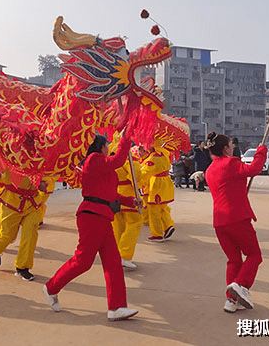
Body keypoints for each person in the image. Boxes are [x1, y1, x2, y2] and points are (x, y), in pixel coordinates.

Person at [43, 130, 141, 321]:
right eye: (106, 145)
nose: (107, 149)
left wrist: (131, 201)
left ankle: (116, 307)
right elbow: (118, 160)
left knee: (113, 263)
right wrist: (126, 137)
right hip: (92, 216)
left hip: (102, 216)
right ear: (100, 147)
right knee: (83, 261)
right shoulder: (94, 160)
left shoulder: (102, 166)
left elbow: (112, 195)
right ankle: (50, 287)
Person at [204, 132, 266, 313]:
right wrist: (261, 152)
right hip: (236, 219)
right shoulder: (231, 163)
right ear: (225, 149)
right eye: (230, 145)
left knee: (233, 260)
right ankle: (240, 285)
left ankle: (231, 301)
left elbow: (230, 188)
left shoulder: (210, 169)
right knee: (254, 255)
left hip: (220, 222)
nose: (232, 149)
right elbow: (254, 169)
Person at [0, 169, 45, 281]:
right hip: (11, 200)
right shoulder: (7, 153)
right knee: (8, 234)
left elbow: (46, 174)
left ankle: (22, 267)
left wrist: (43, 182)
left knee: (30, 233)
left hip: (32, 201)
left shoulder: (41, 156)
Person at [111, 143, 144, 269]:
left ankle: (116, 255)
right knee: (134, 222)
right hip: (128, 194)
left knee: (118, 226)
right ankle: (124, 255)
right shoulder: (128, 158)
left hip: (115, 193)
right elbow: (135, 176)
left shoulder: (112, 155)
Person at [141, 142, 176, 242]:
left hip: (157, 184)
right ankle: (168, 225)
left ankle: (157, 234)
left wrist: (136, 179)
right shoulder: (164, 154)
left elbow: (145, 173)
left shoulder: (153, 158)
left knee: (154, 210)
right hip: (166, 182)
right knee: (163, 207)